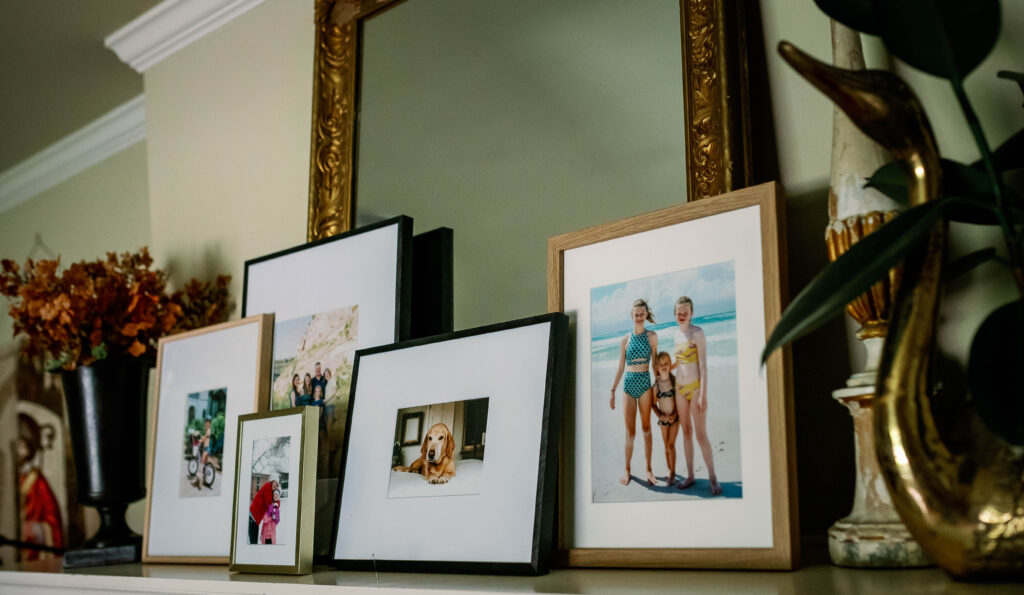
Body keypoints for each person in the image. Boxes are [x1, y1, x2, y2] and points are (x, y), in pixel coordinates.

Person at [672, 296, 721, 495]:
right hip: (679, 390)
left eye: (685, 312)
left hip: (695, 389)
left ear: (691, 313)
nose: (682, 315)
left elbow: (703, 365)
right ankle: (690, 476)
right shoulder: (676, 335)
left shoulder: (697, 333)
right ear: (675, 314)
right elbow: (680, 361)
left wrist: (703, 395)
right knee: (686, 432)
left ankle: (713, 479)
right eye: (678, 312)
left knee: (701, 435)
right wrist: (663, 369)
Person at [609, 298, 658, 487]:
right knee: (630, 432)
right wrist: (613, 390)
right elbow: (621, 366)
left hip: (645, 384)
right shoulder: (625, 340)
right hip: (628, 386)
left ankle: (648, 469)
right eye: (636, 314)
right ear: (632, 315)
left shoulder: (652, 336)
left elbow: (654, 364)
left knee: (646, 430)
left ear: (646, 315)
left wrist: (658, 387)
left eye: (642, 314)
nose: (639, 317)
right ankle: (627, 468)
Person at [16, 413, 63, 561]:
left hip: (33, 549)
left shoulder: (37, 480)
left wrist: (35, 529)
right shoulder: (13, 478)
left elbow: (52, 516)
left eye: (22, 445)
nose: (18, 450)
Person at [651, 351, 680, 486]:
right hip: (663, 419)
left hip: (675, 418)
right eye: (661, 364)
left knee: (670, 444)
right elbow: (653, 404)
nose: (664, 366)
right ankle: (669, 468)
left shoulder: (674, 381)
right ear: (656, 367)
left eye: (667, 363)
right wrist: (661, 415)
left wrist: (674, 414)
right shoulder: (656, 385)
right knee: (665, 445)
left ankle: (673, 473)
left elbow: (680, 402)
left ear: (670, 365)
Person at [249, 473, 279, 544]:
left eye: (277, 484)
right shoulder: (268, 487)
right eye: (275, 483)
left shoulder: (270, 490)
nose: (276, 485)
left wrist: (276, 500)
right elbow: (269, 504)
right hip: (253, 517)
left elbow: (274, 507)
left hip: (255, 518)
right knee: (253, 542)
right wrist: (276, 503)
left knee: (253, 541)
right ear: (272, 481)